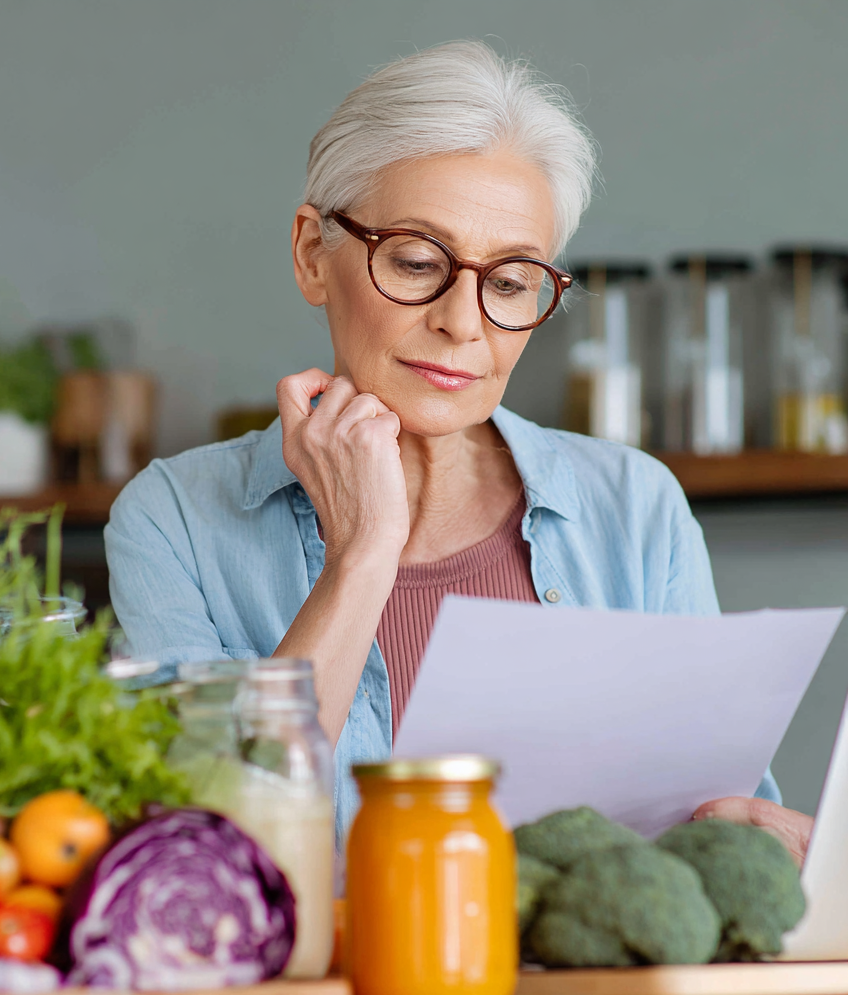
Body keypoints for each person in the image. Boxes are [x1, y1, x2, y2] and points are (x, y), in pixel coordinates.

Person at [105, 40, 813, 863]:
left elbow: (727, 838)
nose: (464, 323)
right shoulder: (175, 521)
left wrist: (787, 851)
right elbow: (207, 849)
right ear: (311, 255)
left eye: (511, 282)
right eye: (416, 262)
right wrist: (363, 554)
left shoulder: (637, 507)